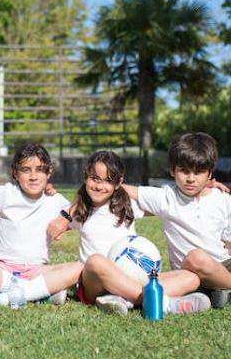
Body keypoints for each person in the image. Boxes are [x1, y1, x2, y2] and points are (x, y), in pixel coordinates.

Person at [51, 150, 210, 315]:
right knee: (95, 261)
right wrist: (63, 217)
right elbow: (54, 219)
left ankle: (123, 299)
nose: (99, 186)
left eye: (108, 180)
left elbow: (167, 200)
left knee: (191, 278)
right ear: (85, 177)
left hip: (132, 277)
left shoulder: (128, 205)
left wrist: (205, 188)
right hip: (95, 283)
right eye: (95, 179)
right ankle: (162, 303)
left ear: (119, 182)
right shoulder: (80, 210)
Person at [0, 143, 83, 306]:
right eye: (26, 170)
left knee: (79, 269)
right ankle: (39, 294)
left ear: (49, 172)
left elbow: (84, 210)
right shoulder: (5, 194)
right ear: (15, 173)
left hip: (37, 271)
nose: (33, 176)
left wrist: (64, 218)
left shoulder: (55, 200)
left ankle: (2, 298)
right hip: (1, 269)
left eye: (40, 169)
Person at [123, 133, 231, 308]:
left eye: (199, 172)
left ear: (210, 173)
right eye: (184, 171)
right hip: (190, 271)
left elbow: (228, 243)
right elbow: (126, 189)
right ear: (173, 170)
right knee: (197, 258)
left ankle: (220, 290)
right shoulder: (166, 197)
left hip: (224, 265)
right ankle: (219, 291)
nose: (191, 178)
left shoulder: (223, 199)